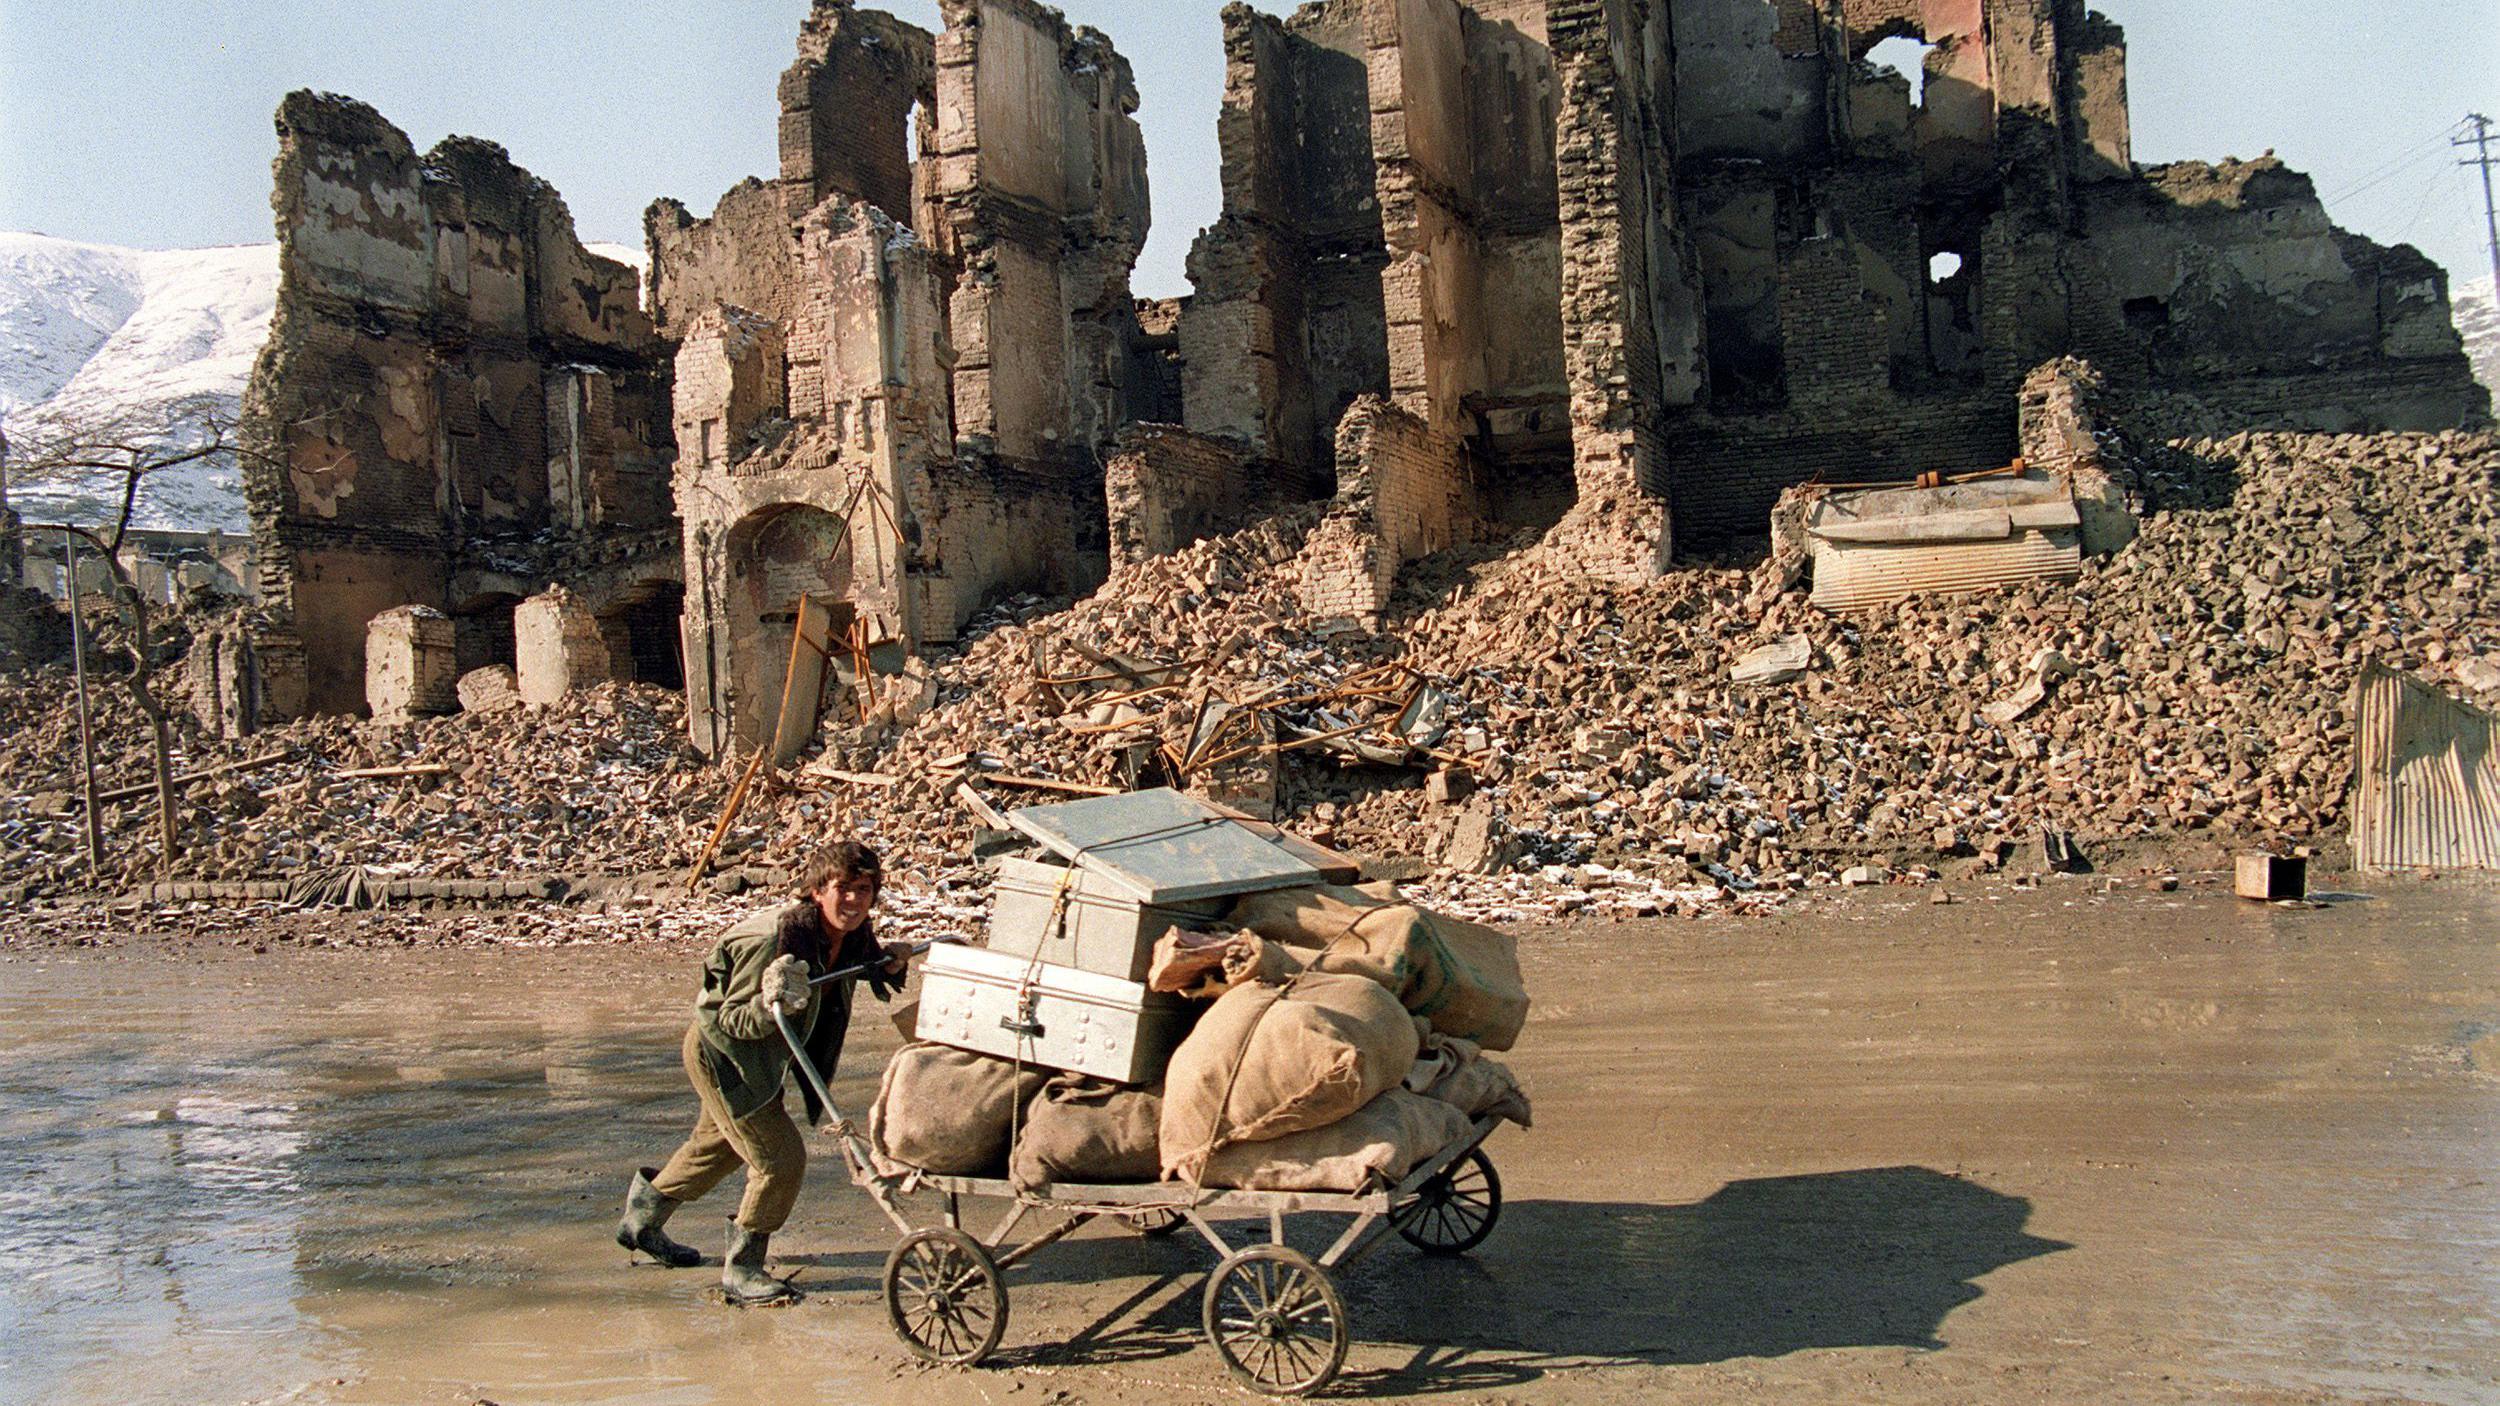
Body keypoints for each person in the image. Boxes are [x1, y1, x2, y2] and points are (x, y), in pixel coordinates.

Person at [614, 839, 912, 1305]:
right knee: (779, 1158)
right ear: (817, 891)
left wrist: (884, 964)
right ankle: (743, 1269)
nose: (854, 900)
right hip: (725, 1057)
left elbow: (849, 966)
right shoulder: (773, 942)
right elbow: (725, 1018)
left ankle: (641, 1220)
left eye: (865, 889)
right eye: (843, 889)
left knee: (716, 1149)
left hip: (763, 1059)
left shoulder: (845, 934)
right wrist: (770, 1000)